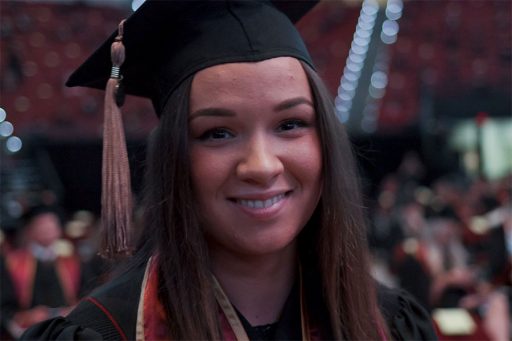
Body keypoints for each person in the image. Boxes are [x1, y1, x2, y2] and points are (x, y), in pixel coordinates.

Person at [22, 1, 437, 340]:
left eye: (290, 124)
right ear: (174, 158)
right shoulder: (108, 332)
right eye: (217, 133)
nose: (261, 165)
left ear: (325, 139)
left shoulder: (390, 324)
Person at [1, 206, 83, 339]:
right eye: (42, 224)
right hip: (28, 329)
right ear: (30, 230)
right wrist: (26, 316)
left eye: (52, 224)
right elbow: (5, 305)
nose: (47, 229)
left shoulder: (73, 261)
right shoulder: (12, 263)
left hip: (66, 326)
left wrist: (72, 310)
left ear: (59, 229)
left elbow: (85, 294)